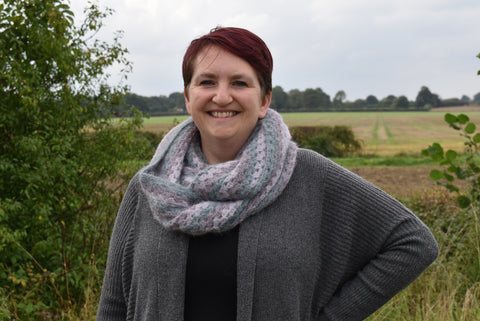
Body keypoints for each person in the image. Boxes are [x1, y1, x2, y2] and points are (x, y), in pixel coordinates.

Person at [96, 26, 438, 321]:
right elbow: (114, 305)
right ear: (188, 97)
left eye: (240, 82)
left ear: (264, 101)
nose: (222, 95)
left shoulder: (308, 175)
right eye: (207, 82)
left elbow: (413, 242)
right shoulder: (150, 188)